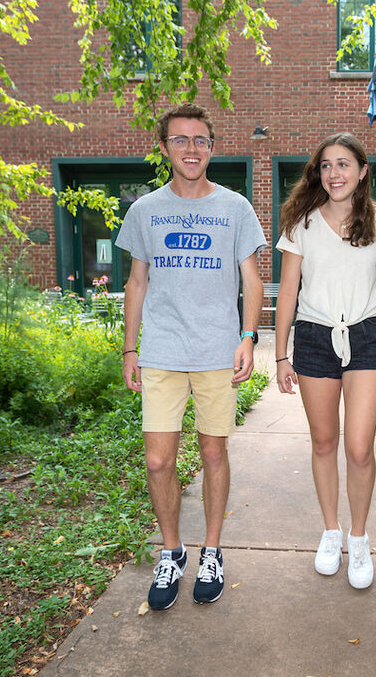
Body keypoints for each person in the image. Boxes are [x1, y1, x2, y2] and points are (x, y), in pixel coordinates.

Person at [116, 102, 266, 611]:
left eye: (200, 140)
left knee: (213, 454)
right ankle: (172, 551)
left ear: (212, 147)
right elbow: (137, 282)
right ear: (164, 149)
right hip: (161, 350)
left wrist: (248, 336)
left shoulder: (234, 207)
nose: (191, 149)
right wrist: (130, 346)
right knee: (158, 459)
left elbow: (251, 279)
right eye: (180, 140)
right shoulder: (145, 211)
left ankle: (213, 552)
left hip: (216, 350)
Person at [273, 132, 376, 589]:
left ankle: (360, 536)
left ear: (362, 171)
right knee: (325, 442)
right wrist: (280, 354)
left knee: (359, 447)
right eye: (326, 165)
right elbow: (288, 291)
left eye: (344, 164)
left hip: (366, 336)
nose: (335, 173)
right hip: (313, 338)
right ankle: (331, 531)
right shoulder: (300, 224)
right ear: (318, 173)